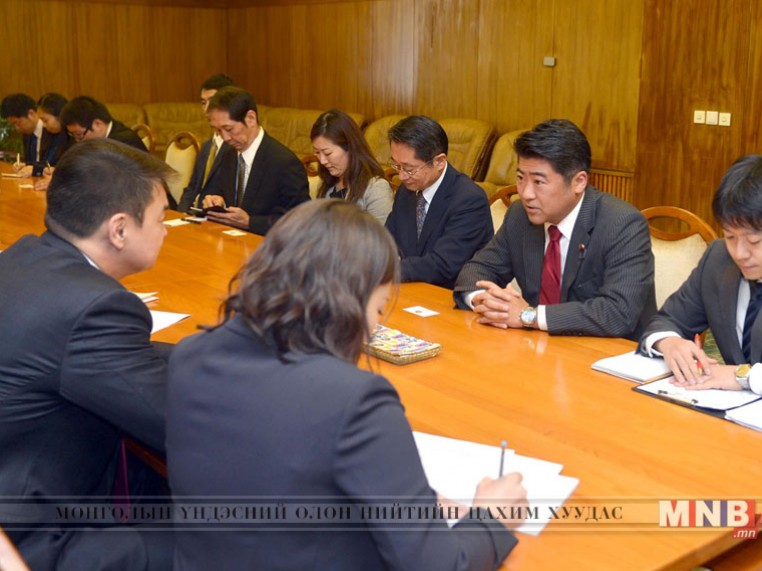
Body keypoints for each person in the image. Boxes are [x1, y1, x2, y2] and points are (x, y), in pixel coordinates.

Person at [166, 199, 525, 570]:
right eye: (378, 308)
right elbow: (439, 565)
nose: (373, 328)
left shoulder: (190, 355)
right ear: (349, 300)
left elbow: (274, 466)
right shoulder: (355, 399)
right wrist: (492, 516)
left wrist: (409, 495)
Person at [0, 139, 175, 569]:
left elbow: (116, 358)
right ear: (119, 229)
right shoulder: (95, 307)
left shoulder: (22, 257)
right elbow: (176, 427)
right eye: (161, 218)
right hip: (33, 536)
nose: (166, 230)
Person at [453, 119, 656, 340]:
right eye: (520, 178)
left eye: (539, 182)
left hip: (605, 352)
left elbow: (618, 313)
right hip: (539, 346)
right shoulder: (520, 216)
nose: (526, 193)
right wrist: (487, 302)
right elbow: (475, 271)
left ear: (579, 182)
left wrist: (528, 316)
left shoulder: (622, 224)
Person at [639, 153, 762, 406]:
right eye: (730, 236)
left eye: (754, 240)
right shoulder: (718, 258)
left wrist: (745, 377)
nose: (740, 253)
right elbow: (667, 319)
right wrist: (669, 342)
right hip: (727, 414)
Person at [384, 115, 493, 288]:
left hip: (451, 295)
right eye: (397, 166)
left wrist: (386, 271)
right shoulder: (406, 191)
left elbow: (444, 265)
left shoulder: (469, 200)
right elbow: (387, 240)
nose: (402, 176)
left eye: (409, 169)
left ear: (439, 162)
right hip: (412, 290)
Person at [201, 86, 309, 235]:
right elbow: (225, 195)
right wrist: (218, 202)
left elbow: (301, 221)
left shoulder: (284, 162)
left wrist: (250, 222)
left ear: (250, 118)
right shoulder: (228, 155)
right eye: (218, 130)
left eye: (229, 129)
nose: (225, 137)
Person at [310, 109, 394, 224]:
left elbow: (381, 234)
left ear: (350, 147)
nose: (322, 161)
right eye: (317, 153)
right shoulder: (326, 182)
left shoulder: (376, 188)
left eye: (327, 153)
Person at [177, 73, 235, 212]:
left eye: (213, 102)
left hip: (214, 217)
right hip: (192, 216)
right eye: (203, 103)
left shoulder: (235, 146)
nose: (206, 109)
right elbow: (192, 188)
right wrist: (181, 215)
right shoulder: (207, 146)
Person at [0, 93, 60, 176]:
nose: (17, 128)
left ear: (31, 114)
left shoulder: (53, 131)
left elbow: (52, 165)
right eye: (13, 125)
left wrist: (35, 169)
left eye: (18, 123)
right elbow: (32, 164)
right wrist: (24, 166)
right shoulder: (27, 134)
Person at [60, 95, 148, 152]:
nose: (77, 141)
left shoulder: (125, 143)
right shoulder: (97, 138)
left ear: (98, 124)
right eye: (74, 135)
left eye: (79, 135)